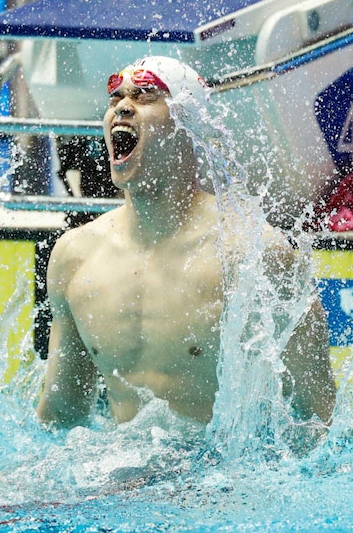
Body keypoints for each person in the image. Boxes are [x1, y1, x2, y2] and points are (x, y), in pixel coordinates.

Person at [36, 56, 335, 428]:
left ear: (188, 125)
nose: (123, 106)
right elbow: (62, 413)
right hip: (119, 478)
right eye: (115, 98)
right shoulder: (75, 256)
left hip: (219, 482)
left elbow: (320, 417)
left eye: (145, 95)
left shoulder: (252, 254)